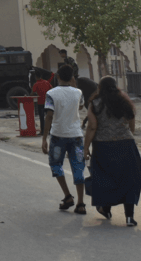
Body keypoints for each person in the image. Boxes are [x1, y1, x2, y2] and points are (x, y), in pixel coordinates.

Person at [83, 76, 141, 227]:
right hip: (126, 145)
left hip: (103, 147)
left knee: (105, 179)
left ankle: (105, 209)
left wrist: (86, 148)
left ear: (100, 88)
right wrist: (126, 136)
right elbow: (132, 123)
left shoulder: (95, 104)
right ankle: (129, 217)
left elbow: (92, 127)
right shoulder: (125, 102)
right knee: (128, 179)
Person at [41, 65, 87, 215]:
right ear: (72, 78)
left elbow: (49, 115)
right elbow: (80, 107)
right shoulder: (78, 92)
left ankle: (67, 195)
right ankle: (80, 203)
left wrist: (44, 138)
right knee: (78, 167)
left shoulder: (51, 93)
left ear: (57, 77)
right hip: (76, 135)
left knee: (56, 165)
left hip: (58, 135)